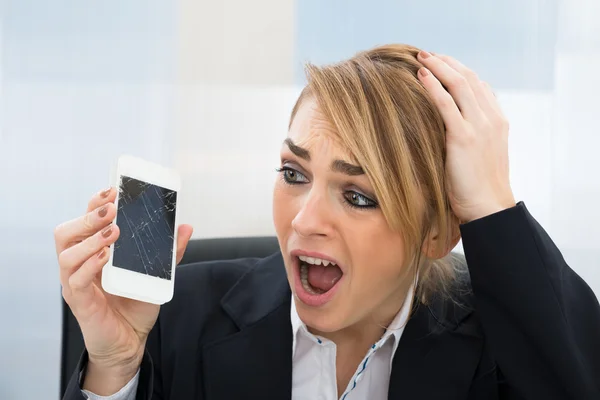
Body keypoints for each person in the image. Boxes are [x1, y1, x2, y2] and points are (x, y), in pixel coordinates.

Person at [55, 44, 600, 400]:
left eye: (359, 196)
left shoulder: (503, 341)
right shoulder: (178, 316)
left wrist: (493, 202)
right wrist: (116, 367)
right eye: (294, 173)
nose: (305, 220)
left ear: (436, 232)